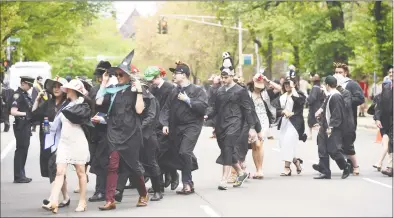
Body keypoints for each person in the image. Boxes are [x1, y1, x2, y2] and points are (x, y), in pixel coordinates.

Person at [96, 50, 149, 210]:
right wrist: (104, 83)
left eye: (120, 75)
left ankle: (143, 193)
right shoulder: (112, 91)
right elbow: (98, 102)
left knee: (133, 167)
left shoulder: (136, 90)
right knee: (112, 166)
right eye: (116, 75)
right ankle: (110, 199)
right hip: (113, 132)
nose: (118, 77)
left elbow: (140, 111)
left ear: (128, 76)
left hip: (131, 134)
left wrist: (139, 91)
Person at [42, 79, 92, 214]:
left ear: (75, 91)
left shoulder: (83, 105)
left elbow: (82, 118)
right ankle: (54, 201)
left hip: (78, 141)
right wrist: (47, 127)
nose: (66, 91)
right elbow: (56, 125)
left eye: (68, 89)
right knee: (59, 171)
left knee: (81, 172)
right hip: (64, 143)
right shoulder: (66, 106)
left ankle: (82, 201)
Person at [159, 62, 208, 195]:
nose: (174, 75)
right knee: (180, 153)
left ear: (185, 75)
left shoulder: (197, 90)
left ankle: (187, 183)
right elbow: (166, 109)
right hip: (177, 127)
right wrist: (164, 124)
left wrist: (188, 100)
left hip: (192, 126)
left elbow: (203, 107)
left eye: (177, 73)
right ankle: (185, 172)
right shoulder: (174, 91)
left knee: (185, 152)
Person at [207, 67, 258, 190]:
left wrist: (252, 128)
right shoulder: (219, 91)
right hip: (221, 124)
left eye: (226, 77)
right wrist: (206, 116)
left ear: (232, 76)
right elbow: (215, 109)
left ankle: (224, 179)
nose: (224, 80)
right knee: (226, 150)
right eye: (222, 77)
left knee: (228, 146)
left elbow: (248, 109)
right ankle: (241, 173)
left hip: (235, 123)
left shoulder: (240, 91)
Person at [31, 76, 70, 206]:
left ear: (64, 89)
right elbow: (34, 115)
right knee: (57, 169)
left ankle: (53, 198)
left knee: (55, 167)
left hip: (63, 140)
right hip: (48, 140)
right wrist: (37, 100)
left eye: (59, 86)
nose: (56, 89)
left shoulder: (69, 104)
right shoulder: (48, 103)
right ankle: (66, 197)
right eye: (54, 86)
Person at [144, 65, 180, 193]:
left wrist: (167, 124)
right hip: (154, 125)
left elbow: (172, 108)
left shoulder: (170, 88)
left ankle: (173, 173)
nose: (150, 82)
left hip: (166, 125)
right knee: (156, 154)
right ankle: (162, 180)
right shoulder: (152, 89)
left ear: (158, 76)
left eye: (152, 80)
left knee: (163, 153)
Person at [313, 76, 352, 179]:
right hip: (325, 125)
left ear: (327, 85)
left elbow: (337, 114)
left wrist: (331, 127)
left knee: (333, 150)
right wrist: (320, 113)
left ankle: (345, 166)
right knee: (322, 148)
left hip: (333, 127)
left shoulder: (336, 96)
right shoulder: (330, 95)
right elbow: (326, 108)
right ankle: (325, 172)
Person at [271, 74, 306, 176]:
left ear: (294, 84)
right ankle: (296, 161)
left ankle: (287, 168)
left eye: (289, 83)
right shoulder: (282, 97)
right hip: (284, 123)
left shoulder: (299, 95)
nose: (287, 85)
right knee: (284, 145)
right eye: (285, 83)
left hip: (295, 124)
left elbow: (300, 101)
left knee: (287, 142)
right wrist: (283, 112)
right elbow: (275, 110)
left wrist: (293, 88)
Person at [87, 60, 112, 202]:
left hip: (109, 129)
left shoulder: (113, 89)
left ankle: (102, 191)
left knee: (103, 160)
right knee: (96, 160)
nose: (100, 77)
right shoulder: (95, 89)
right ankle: (104, 189)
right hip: (94, 130)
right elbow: (91, 106)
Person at [10, 76, 35, 183]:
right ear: (23, 83)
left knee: (24, 150)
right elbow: (13, 111)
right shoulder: (17, 95)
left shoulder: (25, 94)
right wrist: (26, 114)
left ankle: (22, 174)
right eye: (29, 85)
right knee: (21, 150)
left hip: (26, 125)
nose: (30, 87)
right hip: (20, 125)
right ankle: (18, 176)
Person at [374, 67, 393, 177]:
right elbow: (379, 105)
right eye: (390, 72)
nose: (391, 74)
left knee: (391, 143)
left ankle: (390, 167)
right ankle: (390, 167)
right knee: (390, 143)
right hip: (387, 120)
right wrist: (377, 118)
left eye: (393, 72)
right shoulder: (385, 87)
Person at [307, 74, 325, 140]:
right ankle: (311, 135)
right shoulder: (320, 88)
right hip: (319, 106)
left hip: (313, 107)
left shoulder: (314, 88)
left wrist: (308, 100)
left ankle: (311, 135)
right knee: (317, 122)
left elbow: (312, 98)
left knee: (312, 122)